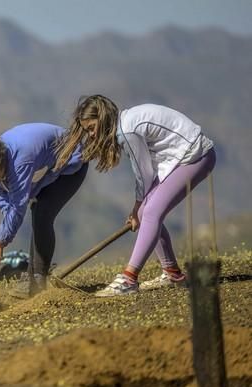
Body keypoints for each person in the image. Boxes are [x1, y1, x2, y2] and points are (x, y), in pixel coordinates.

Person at [55, 95, 216, 297]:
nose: (92, 134)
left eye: (92, 127)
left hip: (196, 155)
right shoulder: (125, 124)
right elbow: (146, 174)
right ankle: (172, 274)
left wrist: (136, 208)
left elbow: (144, 173)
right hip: (177, 158)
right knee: (149, 211)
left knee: (149, 212)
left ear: (103, 117)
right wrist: (139, 207)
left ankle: (129, 279)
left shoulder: (126, 131)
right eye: (88, 130)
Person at [0, 123, 88, 298]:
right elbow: (4, 197)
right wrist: (5, 227)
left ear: (0, 159)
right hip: (50, 164)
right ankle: (32, 278)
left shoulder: (20, 161)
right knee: (37, 211)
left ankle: (38, 280)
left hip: (71, 162)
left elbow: (18, 207)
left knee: (42, 212)